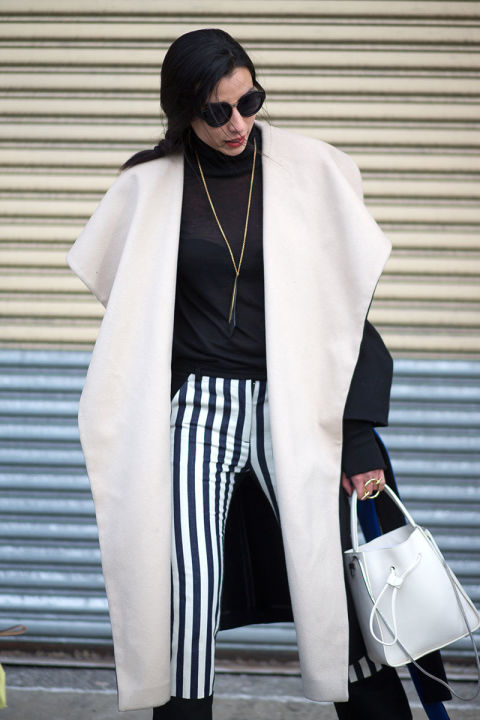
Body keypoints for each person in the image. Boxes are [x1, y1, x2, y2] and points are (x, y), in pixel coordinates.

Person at [67, 28, 416, 719]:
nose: (238, 123)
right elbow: (132, 308)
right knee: (187, 596)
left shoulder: (310, 170)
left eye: (249, 101)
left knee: (336, 588)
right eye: (217, 110)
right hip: (198, 408)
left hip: (299, 403)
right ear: (183, 111)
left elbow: (347, 315)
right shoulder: (149, 187)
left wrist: (356, 435)